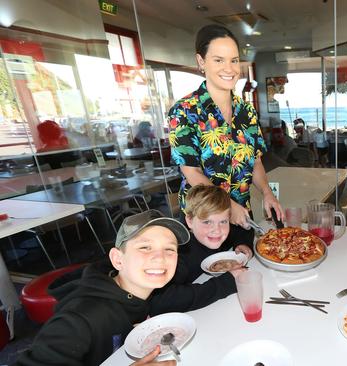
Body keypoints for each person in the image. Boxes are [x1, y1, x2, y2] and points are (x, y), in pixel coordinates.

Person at [15, 210, 192, 366]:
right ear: (117, 259)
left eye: (169, 249)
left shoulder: (141, 292)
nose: (160, 258)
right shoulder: (81, 318)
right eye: (145, 247)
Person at [168, 24, 283, 244]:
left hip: (242, 218)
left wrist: (267, 192)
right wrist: (229, 205)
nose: (229, 68)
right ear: (201, 62)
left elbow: (255, 159)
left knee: (244, 273)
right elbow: (192, 172)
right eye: (218, 60)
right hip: (204, 223)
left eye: (234, 60)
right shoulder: (184, 111)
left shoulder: (246, 111)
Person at [148, 185, 250, 314]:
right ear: (189, 221)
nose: (217, 230)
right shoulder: (178, 253)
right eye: (207, 222)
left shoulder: (216, 235)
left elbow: (243, 231)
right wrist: (228, 282)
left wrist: (243, 244)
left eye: (223, 222)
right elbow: (160, 301)